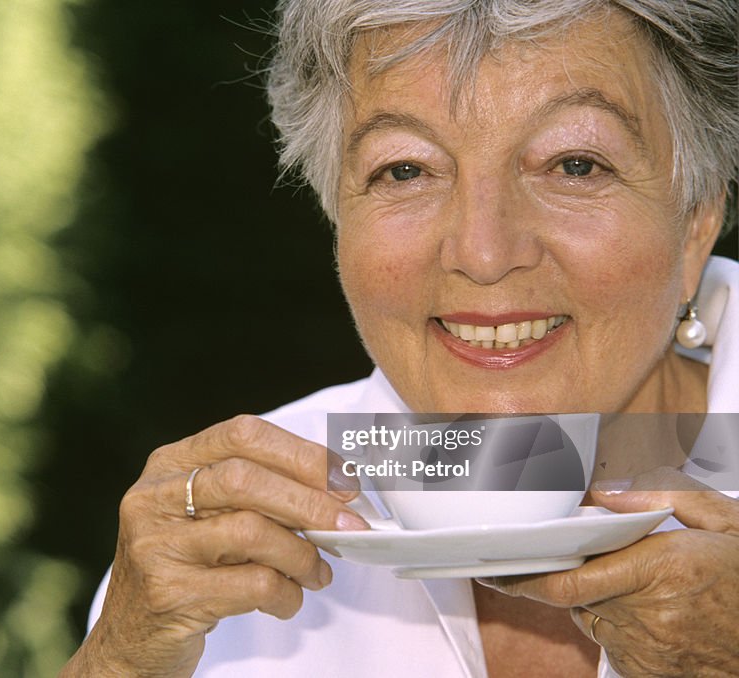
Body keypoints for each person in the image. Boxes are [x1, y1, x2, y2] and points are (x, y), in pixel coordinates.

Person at [61, 1, 739, 676]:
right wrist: (119, 659)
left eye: (575, 165)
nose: (482, 250)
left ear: (697, 222)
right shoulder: (234, 529)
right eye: (406, 170)